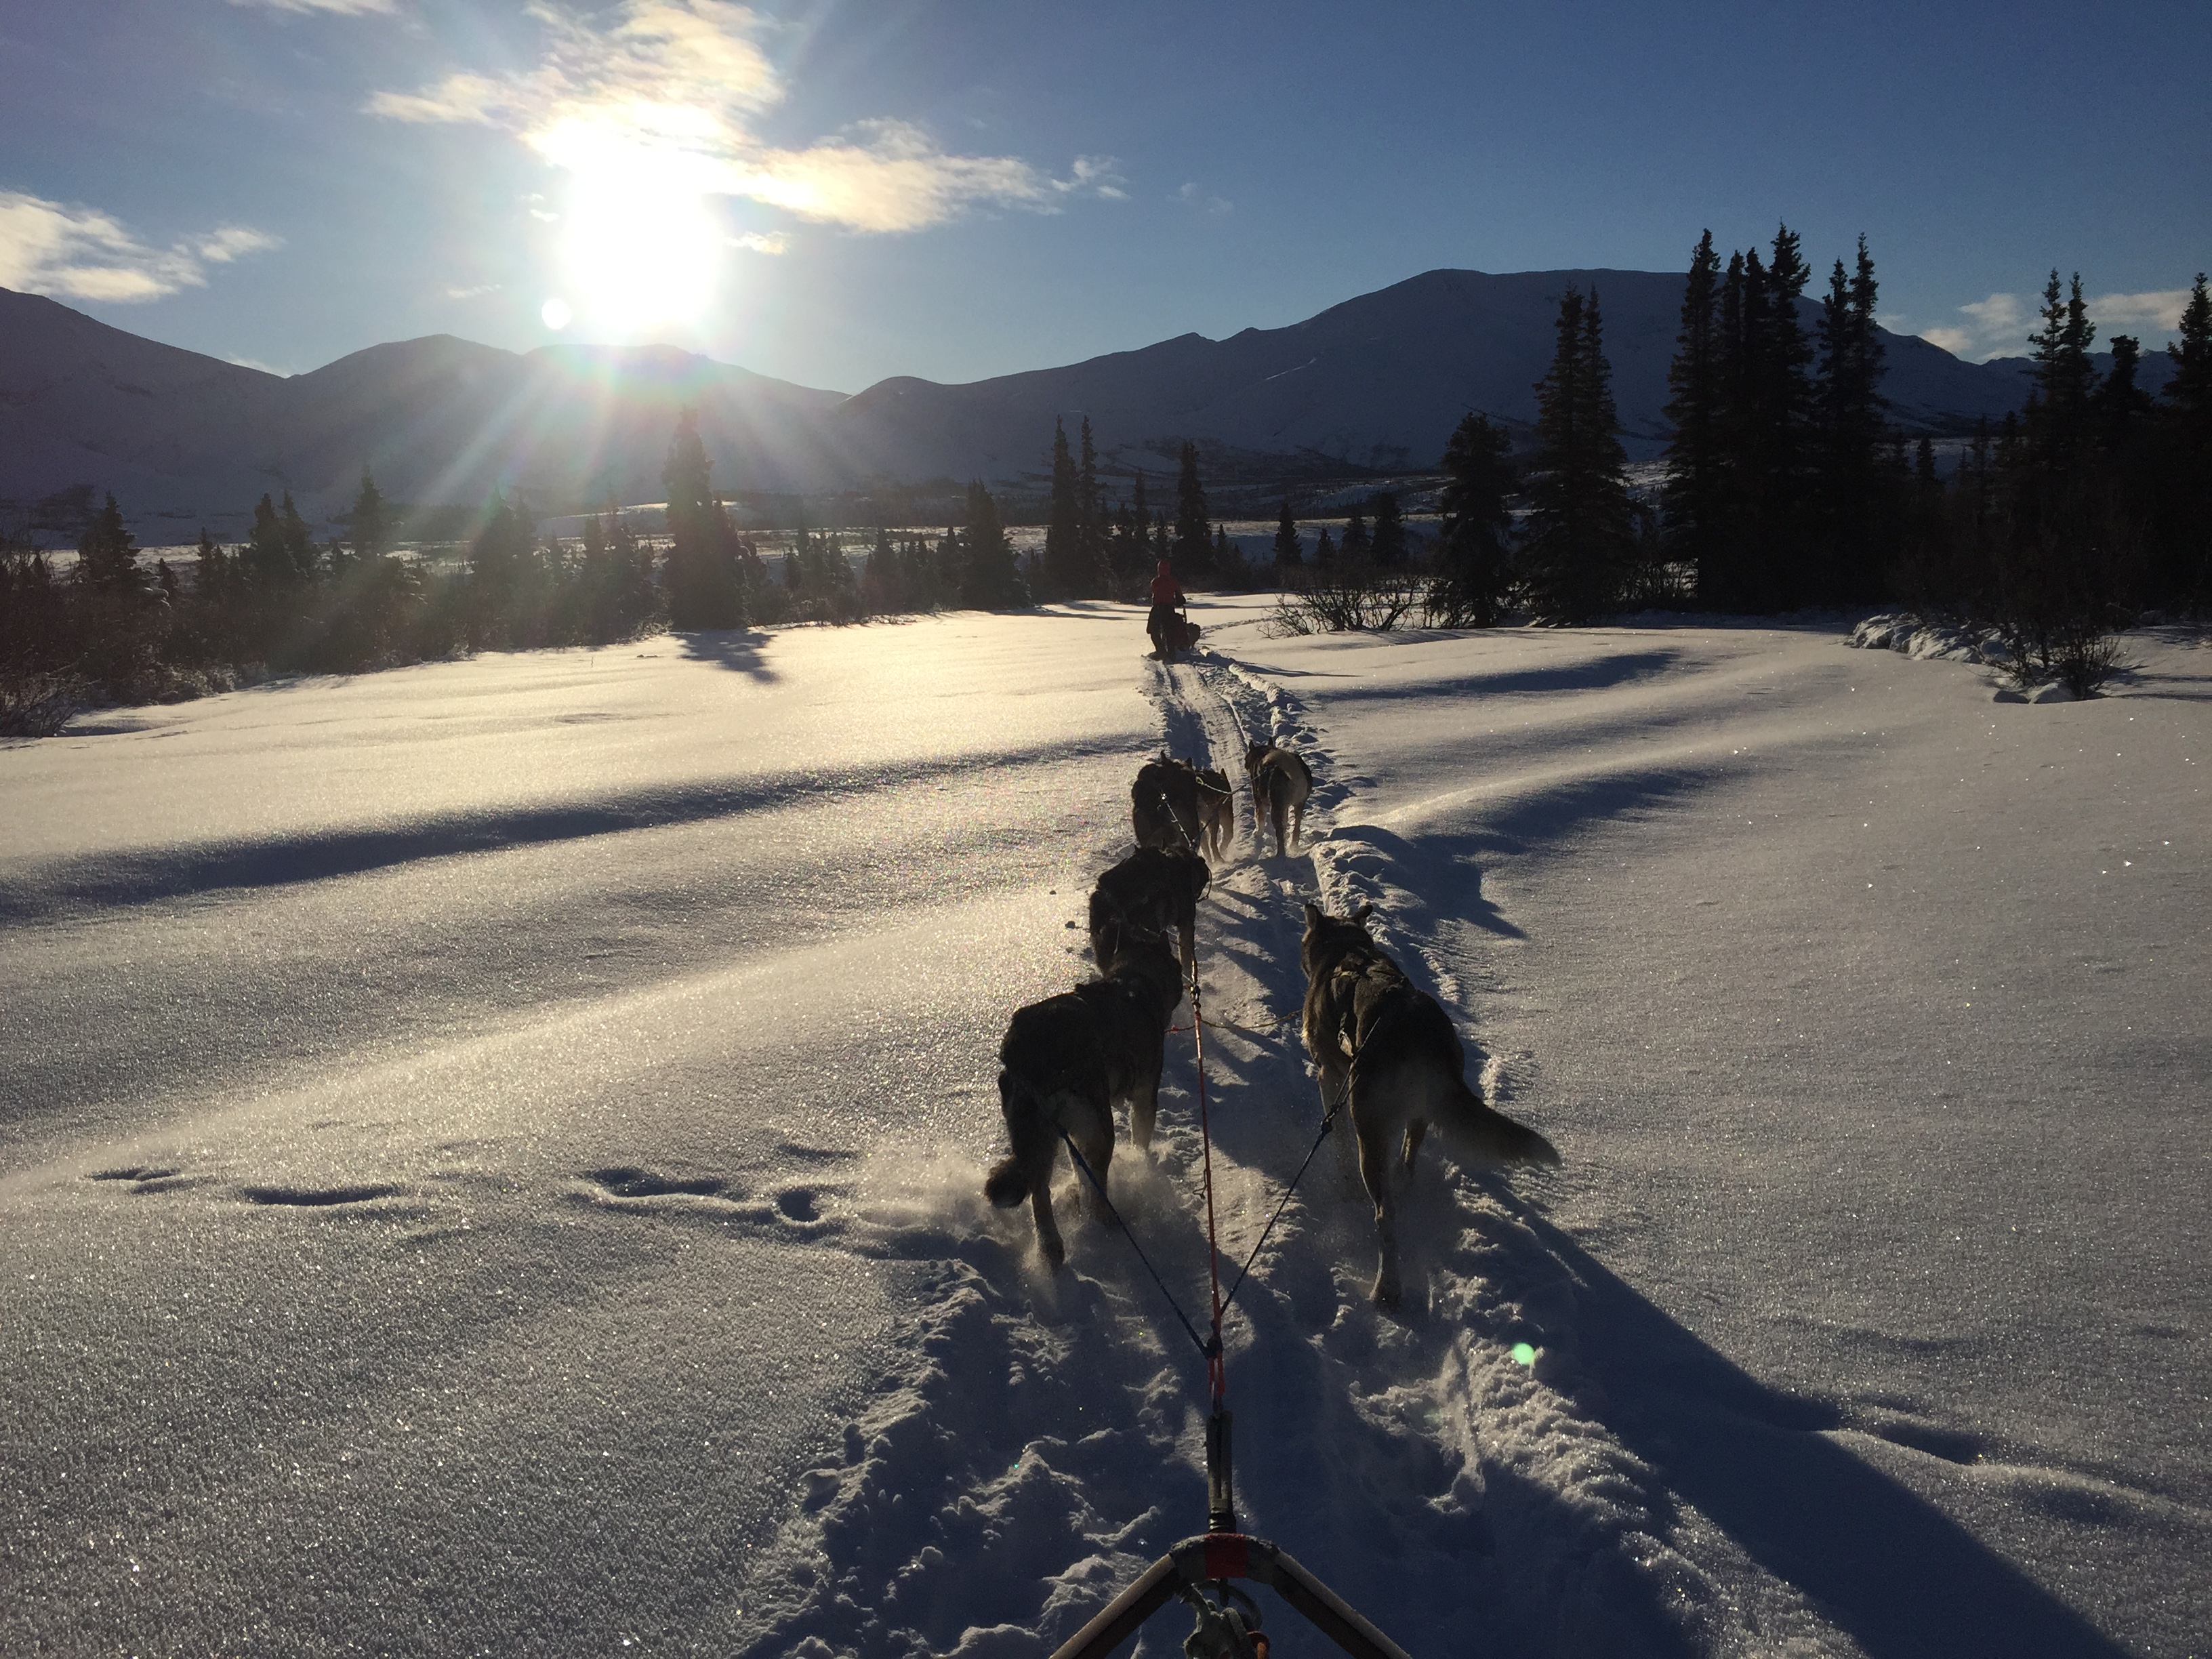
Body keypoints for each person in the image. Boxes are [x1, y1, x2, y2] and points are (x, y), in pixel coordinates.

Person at [1146, 559, 1187, 661]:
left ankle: (1161, 651)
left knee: (1153, 630)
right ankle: (1171, 653)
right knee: (1170, 632)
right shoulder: (1173, 582)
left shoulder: (1155, 582)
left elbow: (1152, 594)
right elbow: (1180, 599)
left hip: (1157, 609)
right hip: (1168, 609)